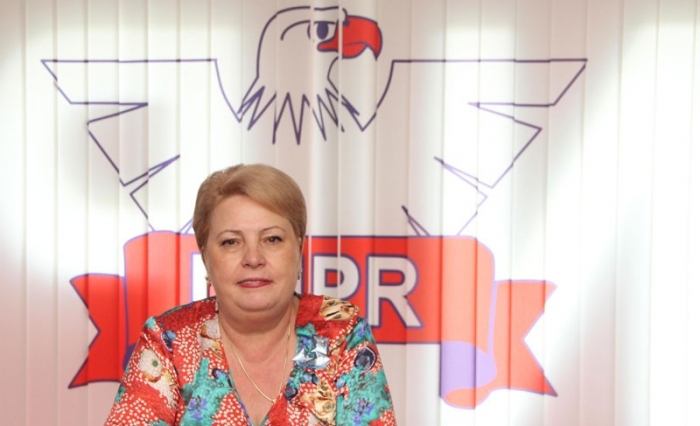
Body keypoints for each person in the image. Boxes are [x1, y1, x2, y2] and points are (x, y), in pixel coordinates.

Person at [104, 163, 396, 425]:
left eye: (272, 239)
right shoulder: (171, 341)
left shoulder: (338, 333)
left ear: (298, 249)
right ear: (206, 258)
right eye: (231, 242)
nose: (253, 258)